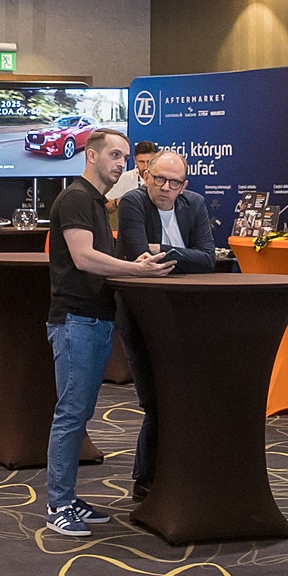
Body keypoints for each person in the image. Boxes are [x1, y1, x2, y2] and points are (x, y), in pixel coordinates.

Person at [46, 128, 175, 537]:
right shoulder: (76, 199)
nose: (122, 164)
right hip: (75, 321)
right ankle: (57, 504)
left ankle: (68, 497)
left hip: (96, 319)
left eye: (124, 157)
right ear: (91, 156)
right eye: (115, 155)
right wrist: (136, 270)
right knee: (71, 414)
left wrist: (135, 264)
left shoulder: (96, 202)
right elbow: (84, 258)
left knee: (79, 413)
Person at [115, 151, 215, 500]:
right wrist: (181, 254)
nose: (165, 187)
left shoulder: (194, 204)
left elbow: (208, 259)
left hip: (186, 317)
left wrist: (162, 248)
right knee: (156, 401)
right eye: (159, 178)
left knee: (186, 399)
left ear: (184, 186)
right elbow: (139, 256)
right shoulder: (133, 203)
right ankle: (145, 481)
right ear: (146, 176)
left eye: (174, 182)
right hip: (143, 316)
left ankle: (179, 476)